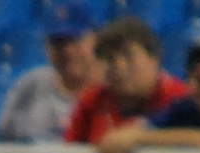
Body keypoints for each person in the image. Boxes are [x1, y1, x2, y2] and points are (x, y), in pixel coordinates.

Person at [62, 15, 188, 144]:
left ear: (154, 58)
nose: (119, 66)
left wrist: (139, 136)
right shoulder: (92, 101)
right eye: (110, 59)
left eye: (128, 56)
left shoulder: (180, 99)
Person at [0, 0, 96, 142]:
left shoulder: (110, 93)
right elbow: (2, 143)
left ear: (94, 40)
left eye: (74, 40)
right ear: (46, 45)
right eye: (58, 43)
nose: (68, 51)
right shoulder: (30, 86)